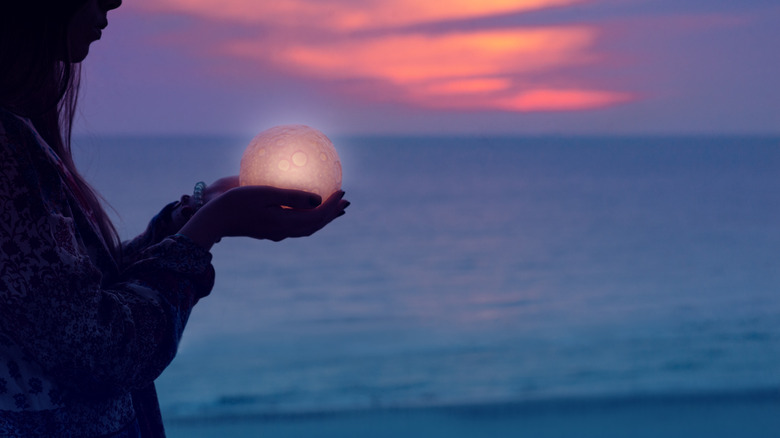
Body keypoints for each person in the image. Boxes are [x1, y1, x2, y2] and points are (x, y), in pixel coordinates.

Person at [0, 0, 349, 436]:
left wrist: (190, 216)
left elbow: (78, 297)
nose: (115, 1)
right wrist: (209, 227)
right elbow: (103, 350)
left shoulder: (21, 134)